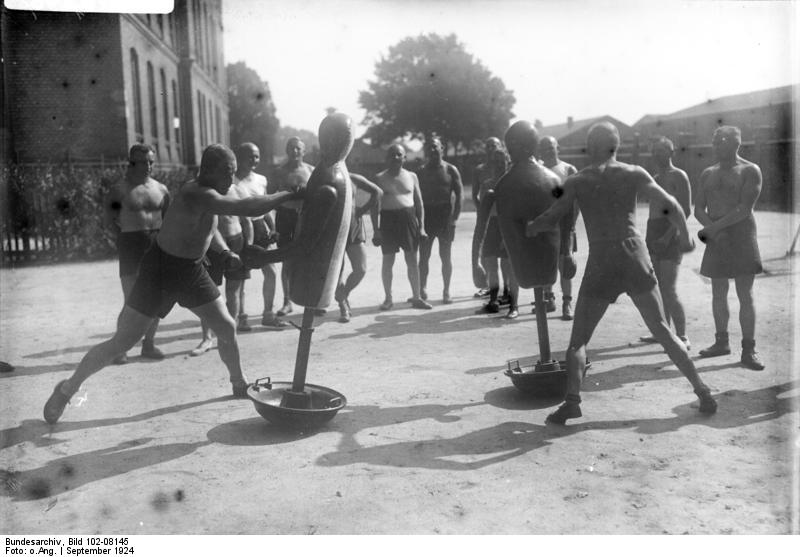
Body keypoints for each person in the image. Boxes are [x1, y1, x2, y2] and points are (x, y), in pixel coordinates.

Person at [43, 144, 303, 424]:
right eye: (227, 172)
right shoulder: (195, 192)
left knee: (226, 327)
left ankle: (239, 383)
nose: (231, 178)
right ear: (209, 171)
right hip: (160, 270)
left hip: (190, 270)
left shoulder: (211, 195)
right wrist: (290, 194)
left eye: (232, 172)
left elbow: (208, 228)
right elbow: (245, 207)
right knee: (123, 341)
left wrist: (226, 253)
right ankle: (68, 388)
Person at [526, 122, 717, 424]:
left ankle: (573, 401)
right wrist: (685, 238)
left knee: (578, 342)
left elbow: (553, 217)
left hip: (603, 256)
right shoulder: (633, 173)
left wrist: (531, 226)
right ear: (615, 146)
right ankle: (703, 391)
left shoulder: (579, 180)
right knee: (663, 331)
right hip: (633, 253)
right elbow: (673, 204)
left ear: (590, 147)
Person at [694, 126, 764, 370]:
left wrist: (714, 230)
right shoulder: (707, 173)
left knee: (745, 294)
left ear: (736, 143)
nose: (716, 146)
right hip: (717, 237)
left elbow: (744, 208)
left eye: (721, 142)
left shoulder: (749, 170)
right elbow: (698, 208)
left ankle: (749, 350)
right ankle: (721, 342)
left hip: (742, 235)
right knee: (718, 291)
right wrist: (713, 229)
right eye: (714, 142)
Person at [104, 144, 169, 363]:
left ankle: (148, 344)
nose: (148, 166)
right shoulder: (119, 189)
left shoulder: (161, 189)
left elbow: (168, 220)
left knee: (156, 300)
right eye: (143, 162)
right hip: (131, 244)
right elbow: (108, 219)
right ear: (131, 163)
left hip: (155, 244)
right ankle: (119, 348)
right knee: (132, 301)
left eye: (151, 161)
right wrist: (124, 239)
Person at [190, 165, 254, 356]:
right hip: (212, 245)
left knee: (233, 291)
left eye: (230, 171)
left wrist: (248, 247)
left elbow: (247, 221)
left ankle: (227, 335)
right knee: (207, 294)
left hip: (236, 241)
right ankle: (206, 338)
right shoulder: (206, 194)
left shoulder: (238, 190)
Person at [639, 137, 691, 348]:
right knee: (658, 288)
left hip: (671, 233)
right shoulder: (653, 177)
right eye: (655, 151)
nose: (658, 155)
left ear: (671, 152)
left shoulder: (679, 176)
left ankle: (683, 336)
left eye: (663, 151)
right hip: (653, 231)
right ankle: (664, 332)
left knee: (669, 289)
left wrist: (668, 236)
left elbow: (685, 210)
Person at [230, 143, 287, 331]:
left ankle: (268, 314)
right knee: (239, 277)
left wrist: (273, 228)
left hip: (260, 227)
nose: (254, 160)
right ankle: (241, 317)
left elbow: (266, 208)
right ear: (239, 158)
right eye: (249, 156)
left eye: (256, 156)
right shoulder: (230, 182)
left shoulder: (261, 180)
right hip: (240, 229)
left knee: (270, 271)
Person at [373, 144, 432, 311]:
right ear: (387, 158)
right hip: (388, 220)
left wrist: (421, 228)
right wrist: (376, 230)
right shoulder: (379, 178)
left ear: (405, 158)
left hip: (408, 219)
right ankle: (388, 298)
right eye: (392, 154)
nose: (396, 157)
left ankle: (417, 297)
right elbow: (374, 207)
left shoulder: (412, 176)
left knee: (412, 260)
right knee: (388, 260)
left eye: (399, 154)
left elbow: (419, 203)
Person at [472, 146, 520, 318]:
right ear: (490, 164)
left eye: (502, 162)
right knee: (491, 266)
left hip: (508, 225)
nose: (499, 165)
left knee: (510, 266)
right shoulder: (486, 184)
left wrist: (510, 231)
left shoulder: (513, 182)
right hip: (491, 225)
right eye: (495, 162)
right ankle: (493, 301)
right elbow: (484, 211)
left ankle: (514, 305)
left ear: (508, 163)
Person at [269, 137, 314, 317]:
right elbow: (271, 199)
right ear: (287, 151)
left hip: (305, 219)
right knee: (287, 260)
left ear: (304, 151)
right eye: (291, 148)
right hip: (285, 219)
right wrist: (272, 226)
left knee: (308, 260)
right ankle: (287, 301)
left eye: (298, 149)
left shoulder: (312, 171)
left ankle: (311, 301)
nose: (294, 152)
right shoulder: (279, 172)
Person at [536, 136, 579, 320]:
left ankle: (567, 302)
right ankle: (549, 299)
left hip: (564, 222)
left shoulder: (568, 169)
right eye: (543, 147)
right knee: (546, 262)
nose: (547, 150)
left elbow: (576, 200)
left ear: (557, 148)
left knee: (565, 263)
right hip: (546, 221)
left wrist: (572, 223)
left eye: (550, 147)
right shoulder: (537, 170)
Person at [417, 136, 464, 304]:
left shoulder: (451, 170)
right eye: (429, 147)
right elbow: (416, 198)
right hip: (427, 216)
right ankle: (422, 288)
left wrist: (454, 219)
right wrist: (419, 221)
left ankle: (446, 291)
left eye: (435, 147)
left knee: (446, 256)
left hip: (444, 217)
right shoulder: (421, 171)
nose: (432, 150)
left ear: (442, 148)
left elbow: (459, 196)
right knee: (424, 256)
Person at [334, 172, 382, 323]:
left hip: (353, 227)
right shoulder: (327, 177)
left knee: (360, 269)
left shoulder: (352, 178)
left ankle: (343, 294)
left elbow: (377, 192)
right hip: (333, 229)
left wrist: (362, 209)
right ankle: (343, 306)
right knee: (337, 271)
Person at [471, 137, 510, 301]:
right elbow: (475, 194)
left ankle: (507, 291)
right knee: (488, 256)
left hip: (505, 219)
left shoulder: (510, 172)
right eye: (487, 146)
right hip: (488, 216)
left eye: (494, 145)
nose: (491, 148)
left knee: (506, 259)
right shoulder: (481, 170)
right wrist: (483, 209)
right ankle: (489, 287)